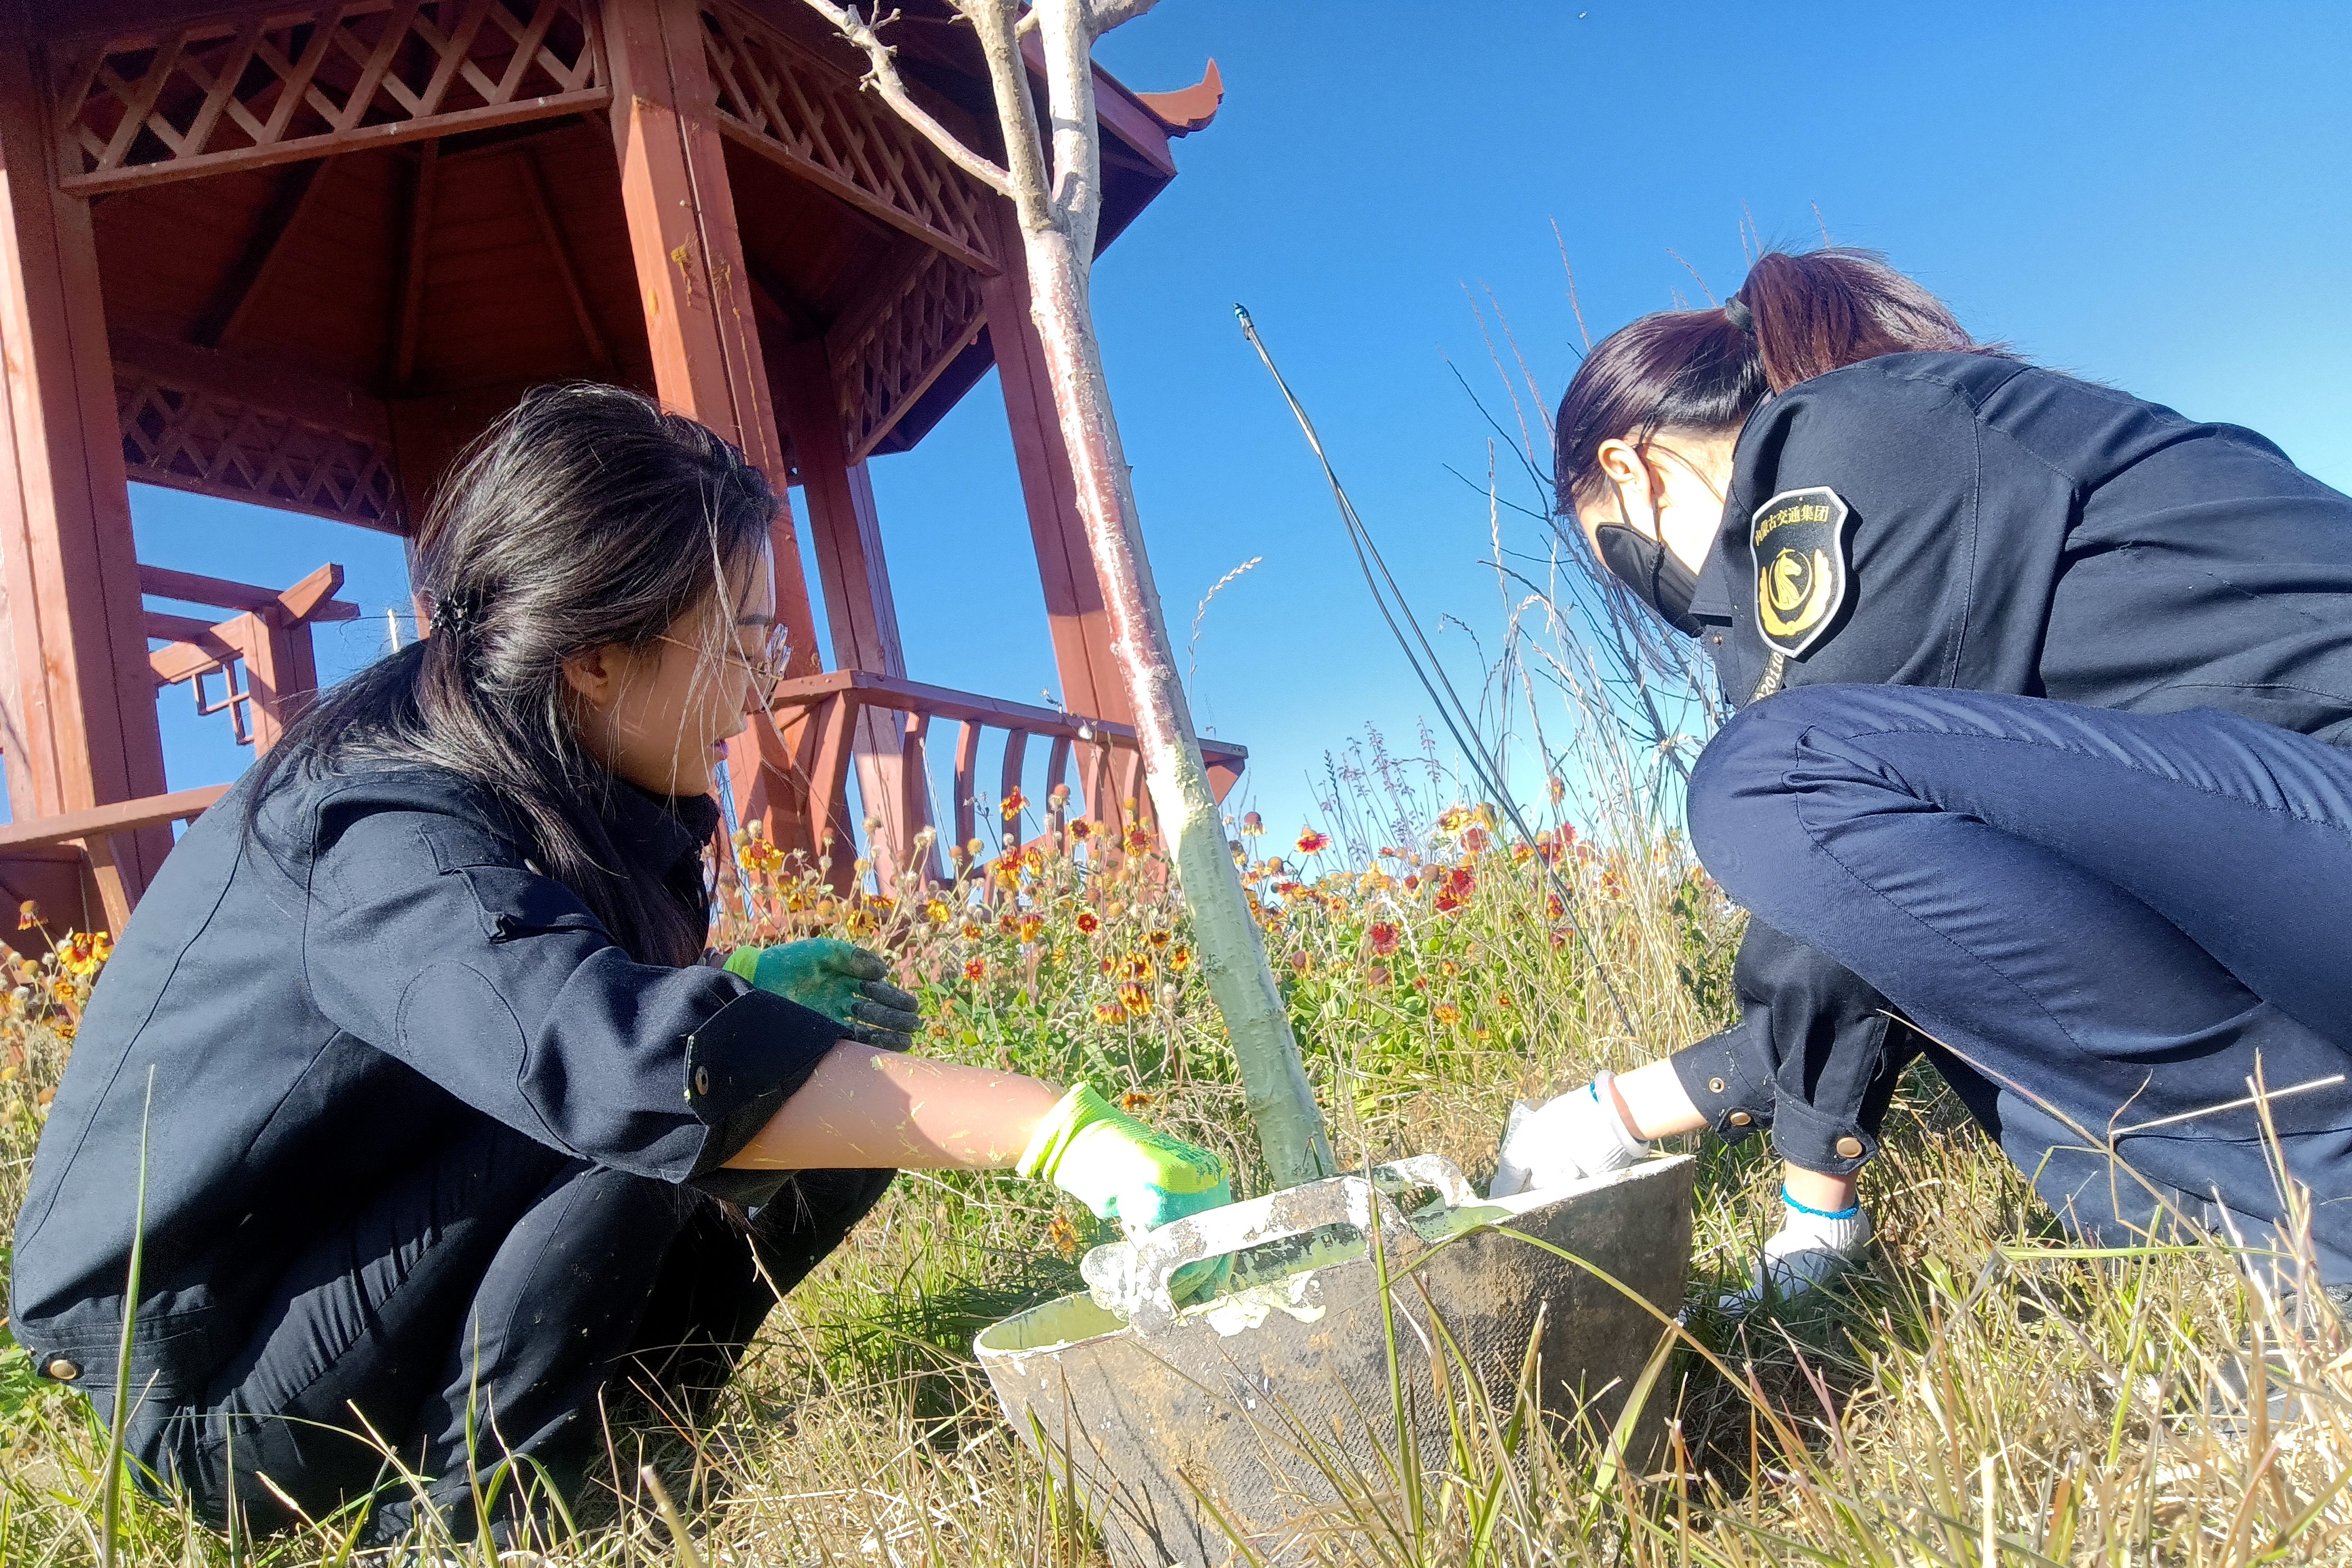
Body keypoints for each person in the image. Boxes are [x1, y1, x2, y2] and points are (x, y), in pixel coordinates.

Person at [7, 385, 1230, 1545]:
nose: (759, 690)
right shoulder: (379, 820)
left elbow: (534, 1010)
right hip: (212, 1383)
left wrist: (745, 982)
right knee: (657, 1105)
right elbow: (594, 1055)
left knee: (804, 1080)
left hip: (350, 1272)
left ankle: (634, 1427)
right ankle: (477, 1523)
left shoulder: (563, 782)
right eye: (740, 642)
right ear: (594, 653)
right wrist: (1054, 1133)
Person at [1491, 249, 2352, 1316]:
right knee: (1978, 1000)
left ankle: (2321, 1197)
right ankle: (2243, 1211)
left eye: (1622, 559)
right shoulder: (1922, 433)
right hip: (2298, 847)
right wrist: (1669, 1126)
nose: (1682, 605)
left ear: (1634, 470)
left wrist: (1629, 1126)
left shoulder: (1834, 446)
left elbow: (1816, 853)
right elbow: (1906, 919)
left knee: (1765, 774)